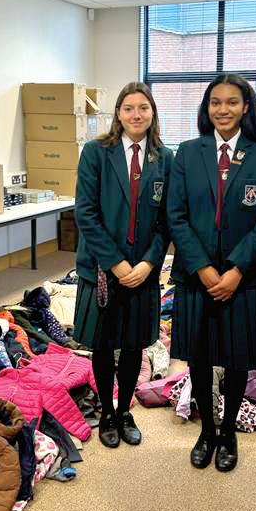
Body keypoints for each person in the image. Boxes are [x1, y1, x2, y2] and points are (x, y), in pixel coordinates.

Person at [168, 73, 256, 472]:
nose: (223, 109)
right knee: (199, 358)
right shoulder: (187, 152)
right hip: (195, 275)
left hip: (241, 279)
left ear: (246, 107)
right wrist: (202, 266)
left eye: (232, 102)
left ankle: (228, 430)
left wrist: (235, 270)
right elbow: (175, 215)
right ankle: (207, 431)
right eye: (216, 102)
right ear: (207, 107)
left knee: (236, 359)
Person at [73, 82, 173, 449]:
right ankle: (106, 412)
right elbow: (85, 213)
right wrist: (115, 262)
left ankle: (124, 411)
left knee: (133, 345)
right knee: (103, 345)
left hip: (143, 270)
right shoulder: (96, 153)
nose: (136, 114)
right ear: (118, 114)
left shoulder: (165, 158)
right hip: (103, 267)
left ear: (152, 113)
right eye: (128, 108)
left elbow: (167, 219)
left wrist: (148, 263)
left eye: (143, 108)